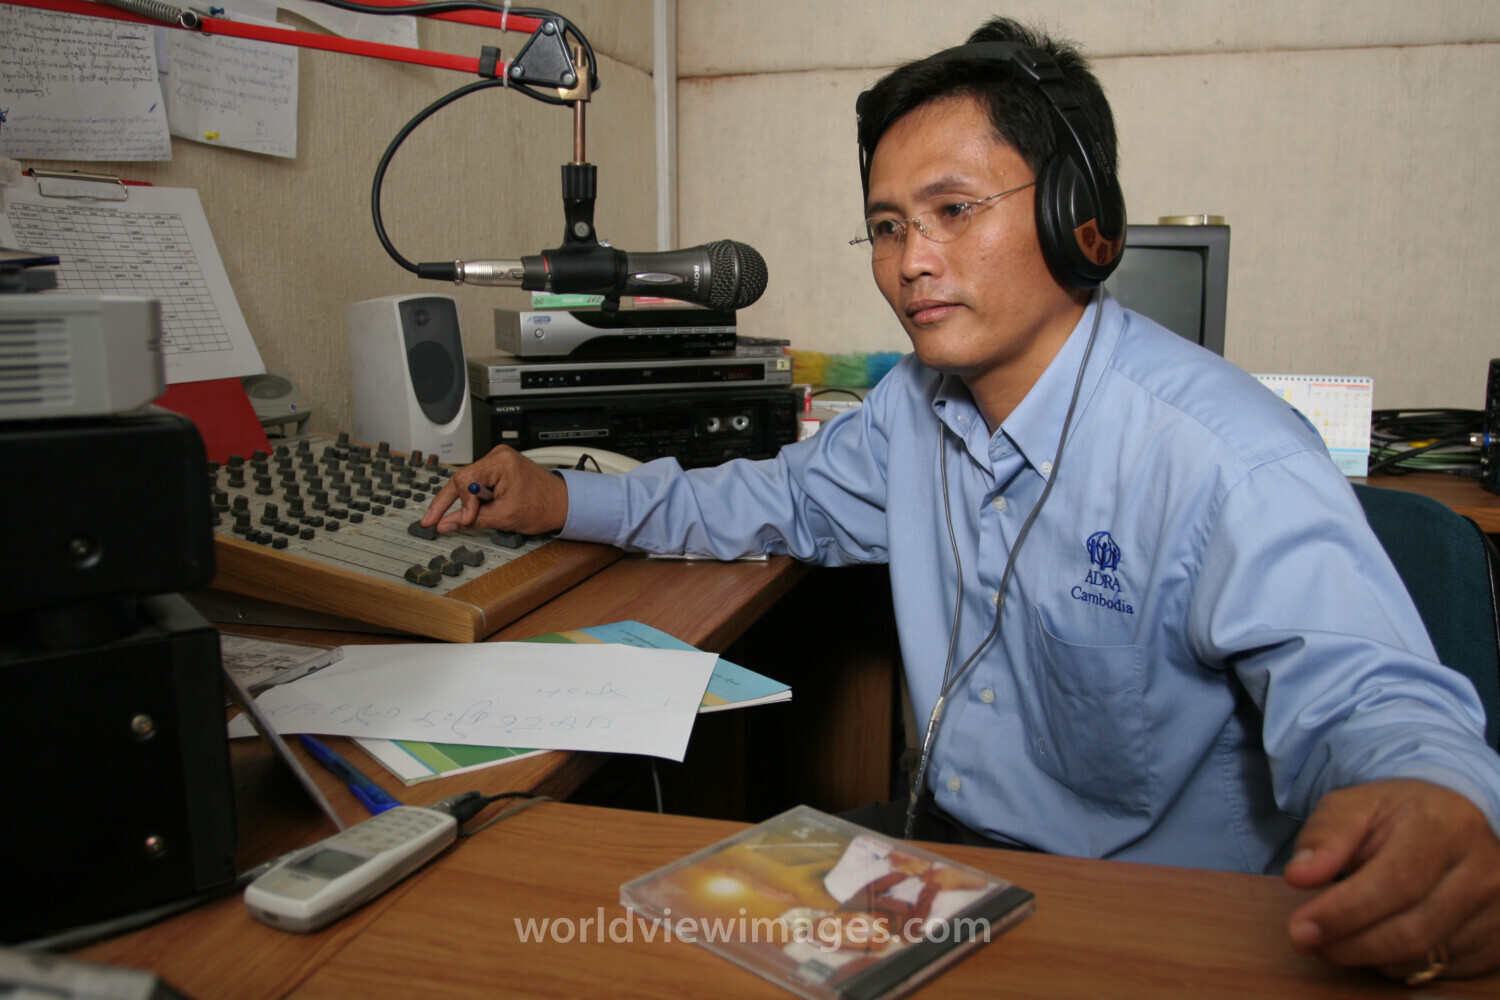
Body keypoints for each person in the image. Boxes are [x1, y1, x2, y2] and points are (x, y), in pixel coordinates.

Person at [424, 17, 1500, 982]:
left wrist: (1430, 796)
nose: (912, 263)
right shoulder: (912, 412)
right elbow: (766, 500)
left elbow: (1375, 699)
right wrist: (562, 500)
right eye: (888, 226)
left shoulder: (1226, 456)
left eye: (952, 210)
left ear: (1084, 219)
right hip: (939, 859)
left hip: (1143, 920)